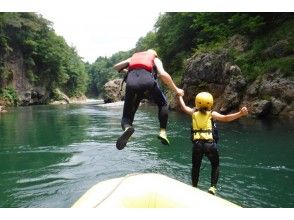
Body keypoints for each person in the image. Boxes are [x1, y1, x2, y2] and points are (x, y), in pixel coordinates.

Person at [177, 92, 248, 195]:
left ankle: (194, 187)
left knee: (196, 166)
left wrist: (179, 96)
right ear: (210, 103)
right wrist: (240, 113)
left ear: (197, 102)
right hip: (210, 145)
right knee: (215, 165)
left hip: (197, 145)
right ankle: (213, 187)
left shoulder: (193, 113)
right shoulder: (212, 114)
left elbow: (184, 107)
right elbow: (226, 118)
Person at [113, 49, 184, 150]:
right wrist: (176, 90)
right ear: (155, 55)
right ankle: (163, 132)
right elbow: (163, 74)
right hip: (147, 83)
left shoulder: (133, 58)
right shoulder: (155, 59)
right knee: (162, 104)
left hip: (131, 84)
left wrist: (129, 70)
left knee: (127, 117)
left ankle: (128, 127)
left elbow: (116, 67)